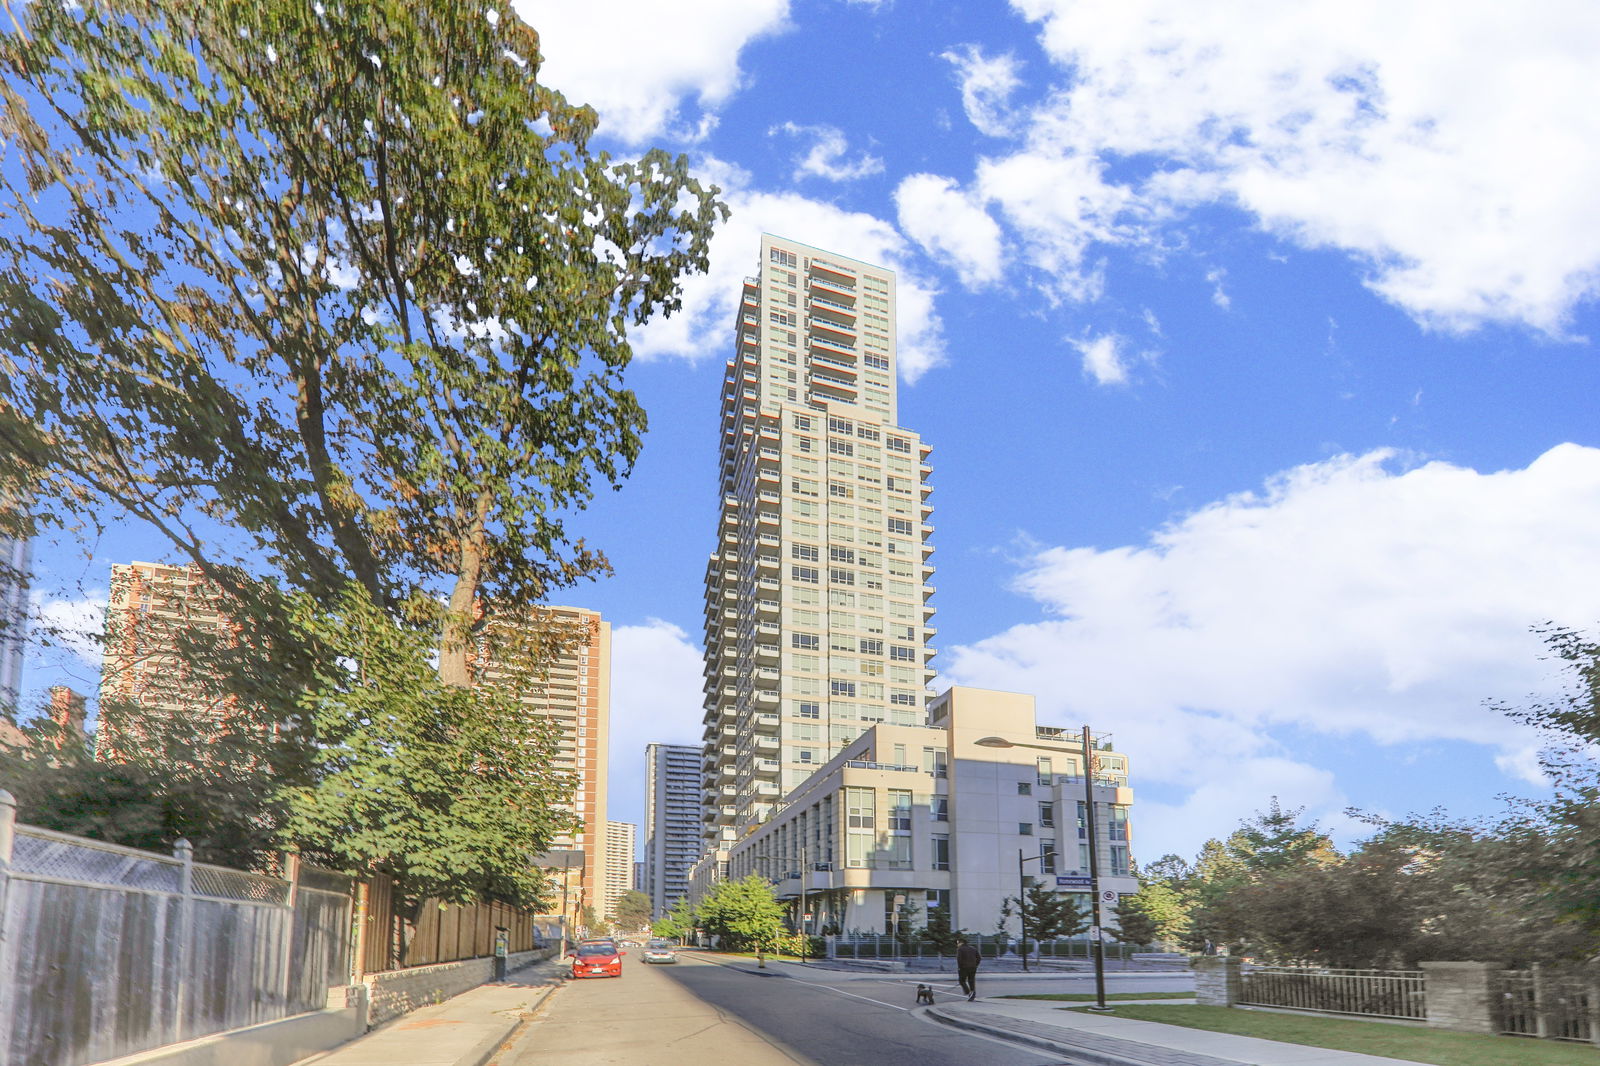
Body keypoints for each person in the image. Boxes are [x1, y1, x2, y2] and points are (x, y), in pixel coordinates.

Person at [955, 937, 981, 1001]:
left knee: (962, 981)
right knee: (971, 981)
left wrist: (959, 968)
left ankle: (968, 992)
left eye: (958, 943)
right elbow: (979, 958)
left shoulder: (960, 949)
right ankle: (972, 995)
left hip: (964, 968)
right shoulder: (973, 948)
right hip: (973, 968)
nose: (957, 944)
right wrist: (976, 965)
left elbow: (959, 959)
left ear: (961, 943)